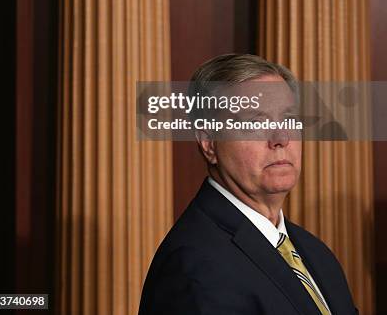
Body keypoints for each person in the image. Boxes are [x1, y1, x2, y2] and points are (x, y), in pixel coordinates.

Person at [138, 54, 358, 314]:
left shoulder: (316, 253)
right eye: (256, 121)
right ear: (209, 143)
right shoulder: (195, 267)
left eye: (288, 119)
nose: (281, 138)